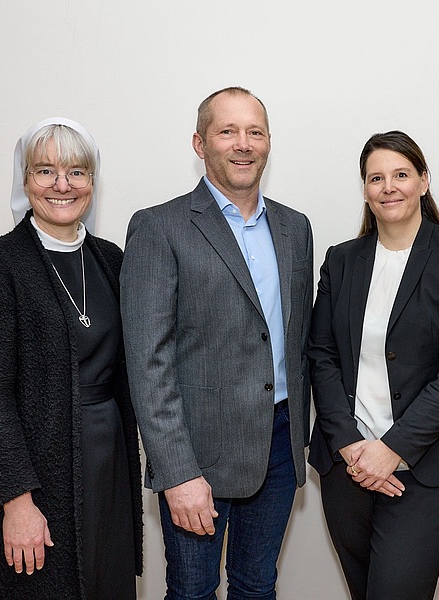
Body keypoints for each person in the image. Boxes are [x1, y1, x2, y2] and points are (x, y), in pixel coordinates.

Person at [0, 118, 143, 599]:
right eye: (45, 171)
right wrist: (16, 502)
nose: (63, 185)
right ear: (24, 180)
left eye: (77, 172)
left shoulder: (112, 260)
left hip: (106, 463)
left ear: (92, 182)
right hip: (31, 468)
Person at [120, 87, 313, 600]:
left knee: (257, 587)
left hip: (278, 443)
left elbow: (297, 343)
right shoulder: (159, 228)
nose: (243, 144)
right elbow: (147, 361)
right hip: (196, 452)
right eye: (227, 131)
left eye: (255, 131)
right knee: (193, 591)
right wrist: (177, 471)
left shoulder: (296, 228)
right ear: (200, 143)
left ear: (269, 142)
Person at [307, 131, 439, 600]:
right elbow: (321, 355)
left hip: (425, 467)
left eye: (401, 175)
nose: (389, 187)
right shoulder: (341, 261)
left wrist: (392, 447)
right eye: (376, 178)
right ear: (365, 190)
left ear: (424, 181)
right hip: (346, 468)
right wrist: (350, 444)